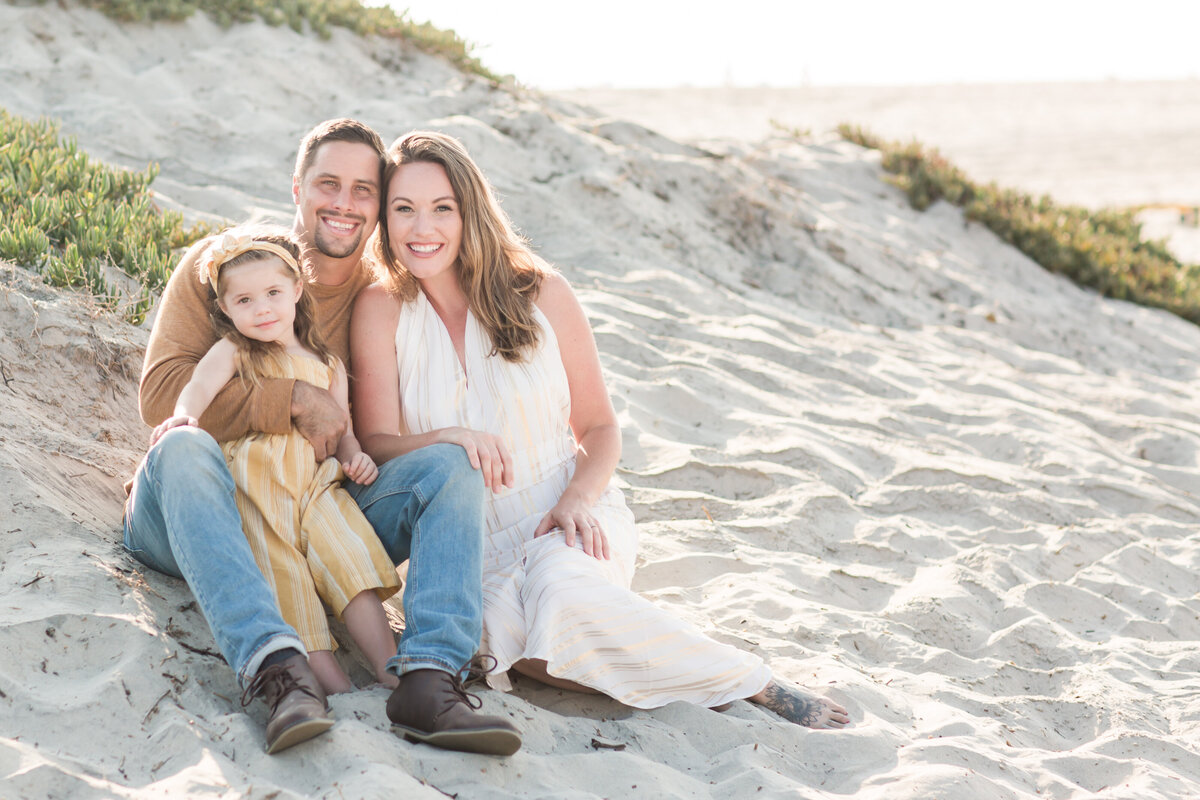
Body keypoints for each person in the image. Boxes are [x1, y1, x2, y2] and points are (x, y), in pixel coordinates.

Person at [350, 131, 851, 730]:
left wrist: (577, 499)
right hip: (464, 543)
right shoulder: (381, 306)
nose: (420, 227)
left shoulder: (538, 293)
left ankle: (753, 682)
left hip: (561, 510)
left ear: (470, 212)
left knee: (563, 598)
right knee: (509, 639)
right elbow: (379, 443)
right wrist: (450, 436)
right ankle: (691, 672)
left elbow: (599, 427)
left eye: (441, 208)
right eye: (403, 208)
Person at [125, 119, 521, 756]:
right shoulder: (228, 265)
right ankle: (278, 673)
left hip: (313, 499)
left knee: (452, 466)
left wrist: (396, 439)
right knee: (181, 445)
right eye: (328, 184)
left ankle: (428, 678)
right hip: (200, 512)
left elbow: (361, 432)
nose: (344, 203)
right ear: (297, 188)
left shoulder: (380, 296)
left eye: (363, 190)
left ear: (380, 206)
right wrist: (291, 399)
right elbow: (161, 396)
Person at [148, 226, 401, 696]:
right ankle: (336, 687)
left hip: (318, 488)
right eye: (243, 301)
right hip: (260, 489)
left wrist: (355, 458)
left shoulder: (326, 361)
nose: (261, 308)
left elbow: (341, 428)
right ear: (224, 309)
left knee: (350, 559)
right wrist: (184, 419)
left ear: (297, 291)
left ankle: (390, 668)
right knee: (289, 583)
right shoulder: (235, 351)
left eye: (272, 293)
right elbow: (197, 389)